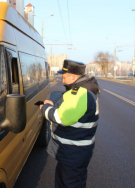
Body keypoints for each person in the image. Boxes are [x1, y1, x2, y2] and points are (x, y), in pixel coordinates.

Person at [39, 59, 100, 188]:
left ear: (72, 77)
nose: (62, 80)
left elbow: (62, 118)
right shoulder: (84, 92)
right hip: (77, 152)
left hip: (72, 154)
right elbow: (70, 113)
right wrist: (54, 106)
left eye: (64, 76)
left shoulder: (78, 94)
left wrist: (45, 109)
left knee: (68, 184)